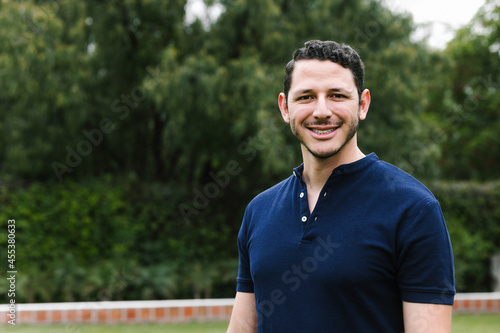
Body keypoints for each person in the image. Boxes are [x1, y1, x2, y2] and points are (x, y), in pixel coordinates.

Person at [226, 40, 455, 332]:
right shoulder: (258, 211)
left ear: (362, 104)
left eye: (337, 95)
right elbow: (242, 328)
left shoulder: (414, 209)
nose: (321, 111)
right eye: (306, 97)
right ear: (285, 107)